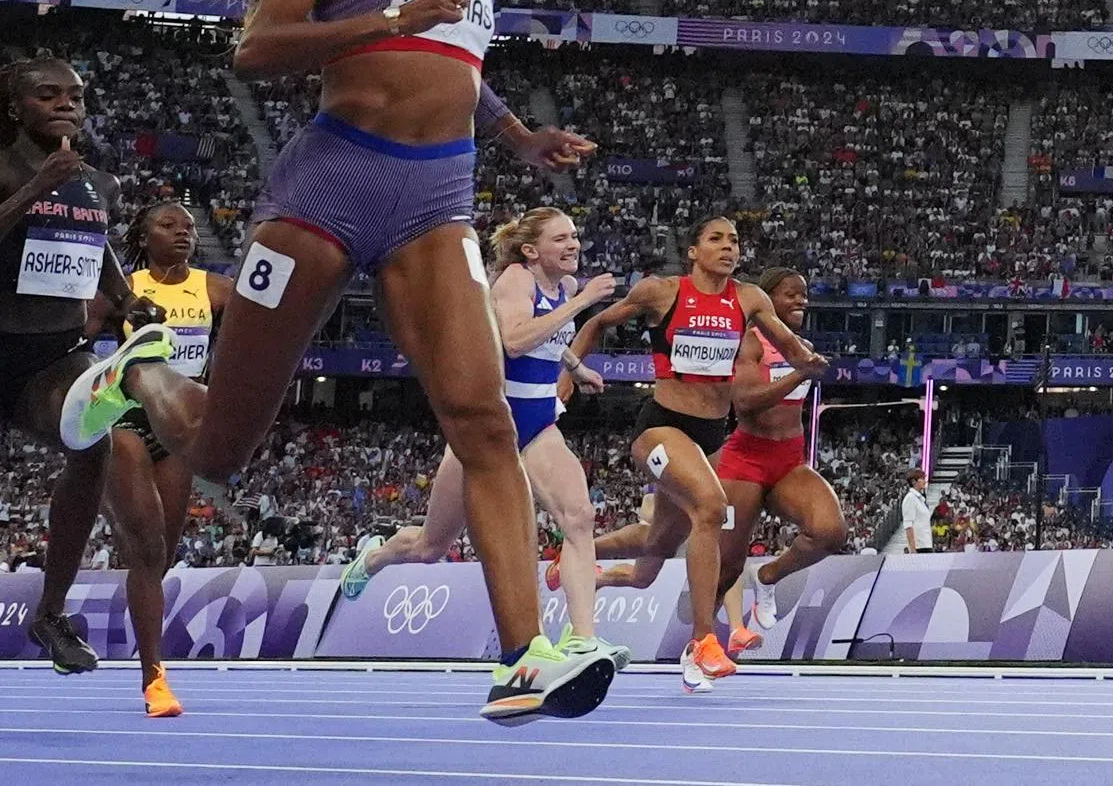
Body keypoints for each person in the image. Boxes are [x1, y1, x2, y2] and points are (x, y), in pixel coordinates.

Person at [57, 0, 614, 722]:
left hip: (437, 200)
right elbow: (258, 46)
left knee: (481, 422)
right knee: (222, 446)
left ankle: (524, 657)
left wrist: (522, 137)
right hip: (327, 188)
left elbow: (462, 68)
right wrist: (389, 18)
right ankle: (141, 374)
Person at [341, 207, 630, 667]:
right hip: (489, 430)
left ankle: (583, 639)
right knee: (430, 547)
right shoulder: (517, 280)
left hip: (538, 425)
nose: (573, 245)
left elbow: (550, 343)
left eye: (575, 236)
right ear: (532, 251)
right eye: (561, 239)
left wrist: (576, 367)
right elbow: (514, 340)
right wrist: (583, 303)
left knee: (578, 517)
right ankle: (374, 558)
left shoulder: (567, 286)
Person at [561, 216, 827, 693]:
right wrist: (571, 377)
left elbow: (787, 342)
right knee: (710, 506)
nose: (728, 248)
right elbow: (598, 321)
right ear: (693, 251)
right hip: (659, 427)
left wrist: (807, 362)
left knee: (653, 554)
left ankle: (583, 559)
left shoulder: (749, 298)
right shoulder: (661, 292)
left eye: (735, 242)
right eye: (716, 240)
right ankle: (704, 640)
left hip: (708, 434)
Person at [0, 57, 167, 675]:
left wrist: (127, 300)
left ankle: (49, 614)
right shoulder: (15, 169)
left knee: (91, 439)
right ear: (15, 107)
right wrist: (35, 189)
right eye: (48, 96)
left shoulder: (98, 182)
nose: (67, 105)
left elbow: (92, 252)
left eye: (75, 96)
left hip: (49, 356)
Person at [85, 201, 234, 716]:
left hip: (181, 433)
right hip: (126, 422)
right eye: (169, 226)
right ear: (144, 238)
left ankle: (150, 664)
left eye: (190, 228)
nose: (183, 234)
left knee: (160, 559)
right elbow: (75, 341)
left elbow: (265, 323)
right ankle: (154, 678)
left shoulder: (214, 289)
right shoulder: (122, 288)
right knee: (146, 550)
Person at [716, 268, 846, 656]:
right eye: (791, 294)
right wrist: (800, 373)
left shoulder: (801, 346)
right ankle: (702, 646)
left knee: (830, 532)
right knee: (727, 566)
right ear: (767, 299)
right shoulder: (750, 342)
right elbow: (745, 401)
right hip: (746, 460)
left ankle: (770, 576)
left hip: (789, 461)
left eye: (804, 295)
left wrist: (802, 366)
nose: (801, 301)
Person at [902, 469, 933, 553]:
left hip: (926, 543)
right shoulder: (910, 498)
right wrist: (913, 549)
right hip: (919, 546)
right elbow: (908, 524)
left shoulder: (920, 499)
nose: (924, 481)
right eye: (922, 479)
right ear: (913, 481)